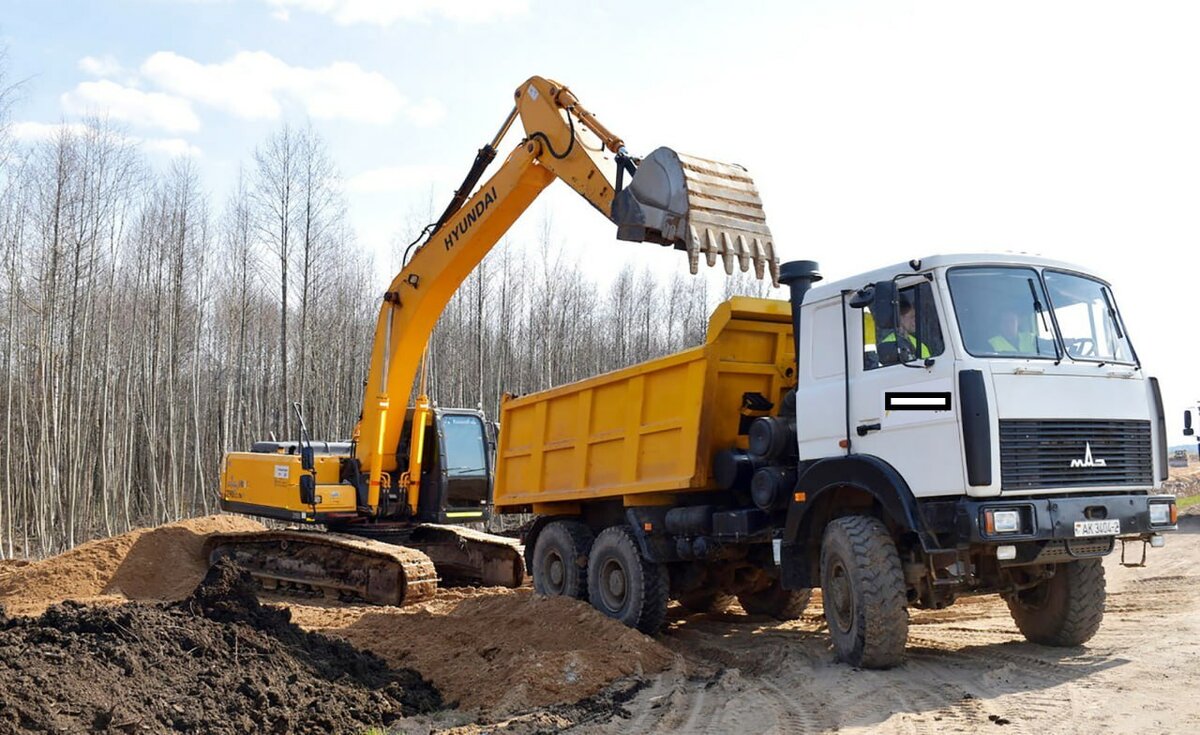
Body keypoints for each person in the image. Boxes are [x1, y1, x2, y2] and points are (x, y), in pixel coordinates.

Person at [880, 294, 931, 361]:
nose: (915, 320)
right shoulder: (888, 345)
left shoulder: (920, 345)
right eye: (912, 317)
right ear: (899, 318)